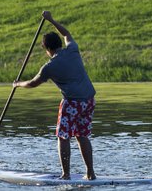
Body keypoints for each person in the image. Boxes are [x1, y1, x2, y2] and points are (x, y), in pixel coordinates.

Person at [14, 11, 96, 180]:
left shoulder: (49, 66)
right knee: (82, 136)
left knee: (63, 136)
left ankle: (65, 175)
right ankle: (90, 173)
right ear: (59, 43)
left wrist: (17, 84)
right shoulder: (73, 49)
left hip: (72, 103)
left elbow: (32, 83)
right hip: (89, 100)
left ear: (47, 49)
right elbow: (67, 33)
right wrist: (51, 20)